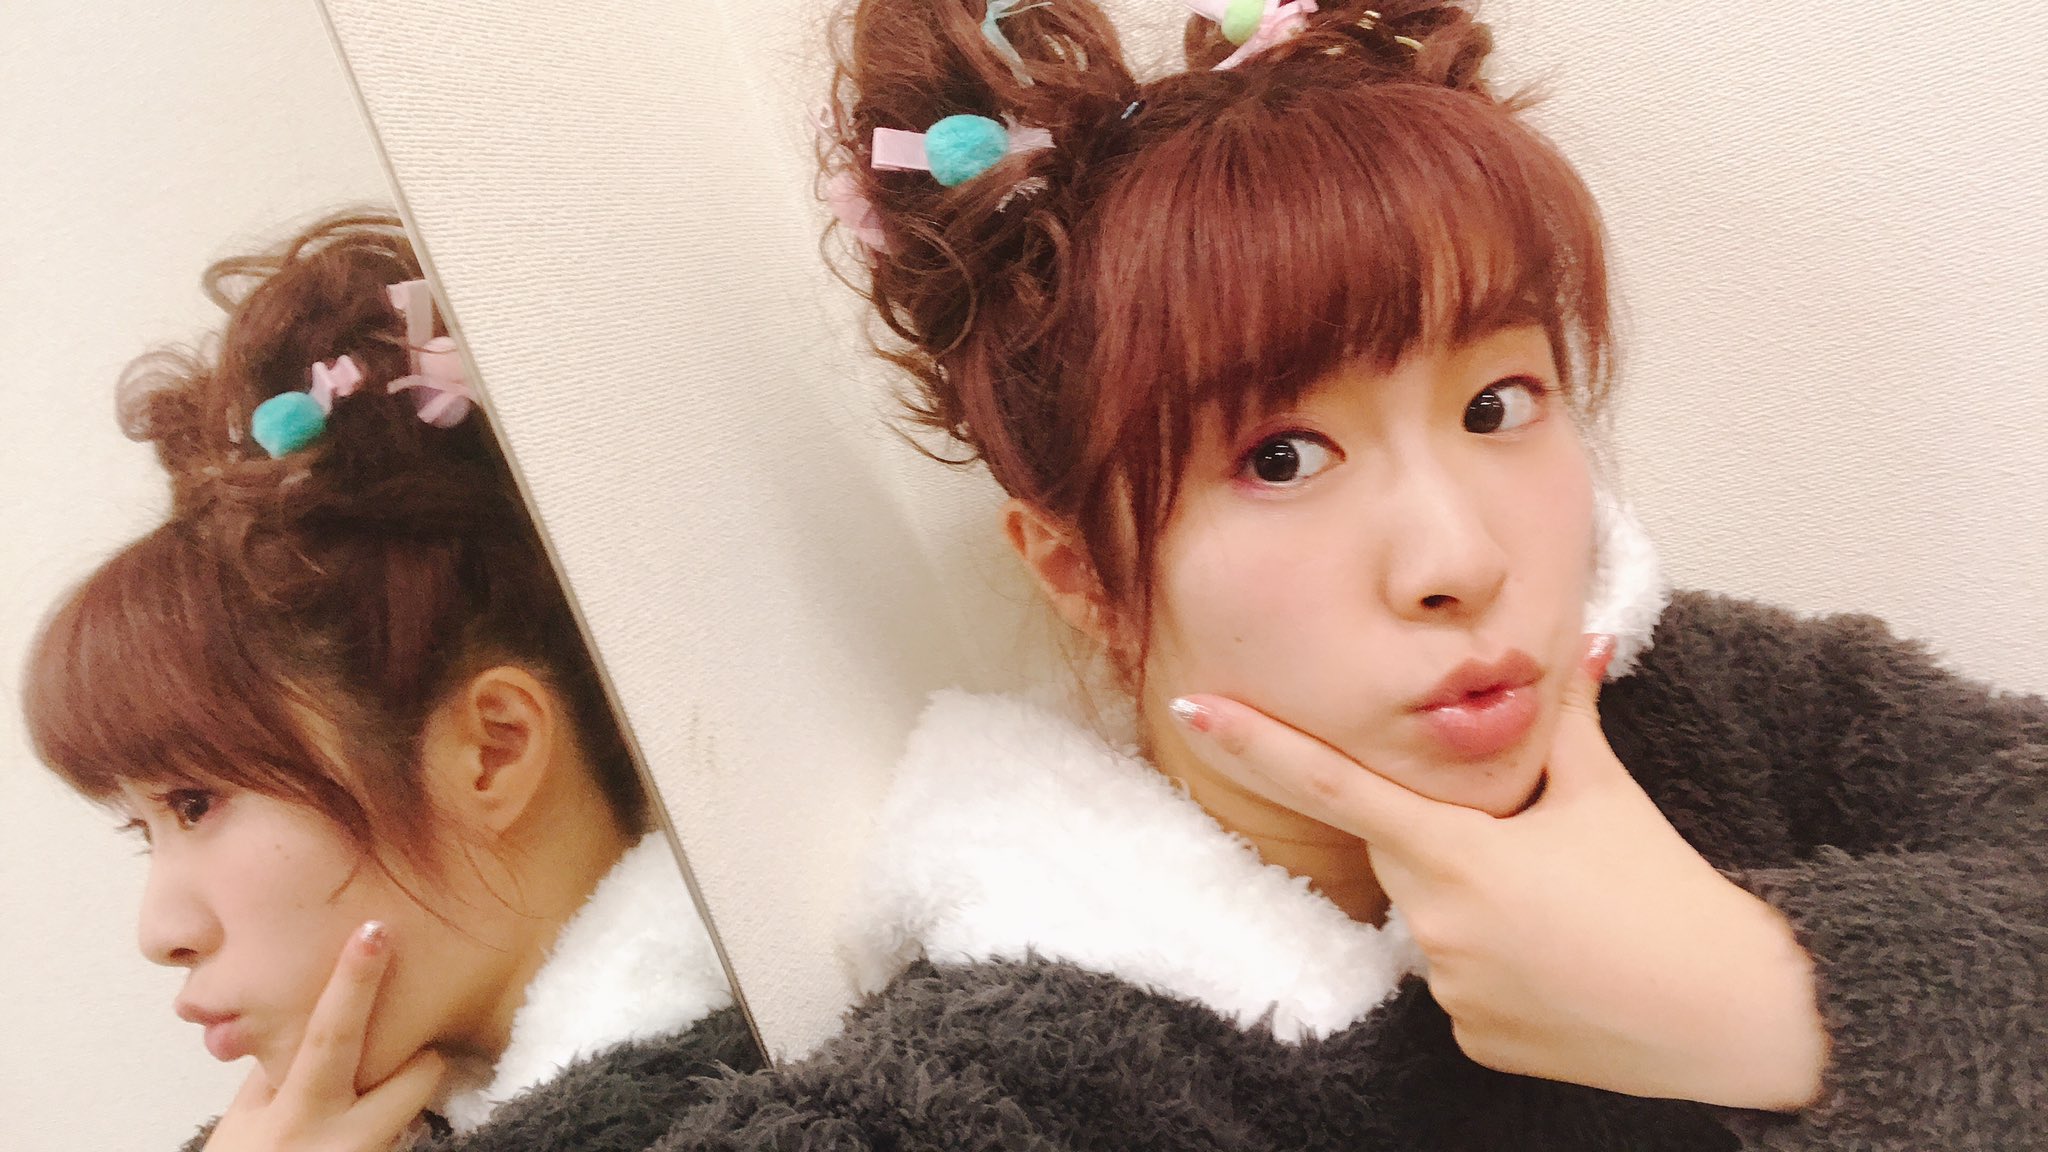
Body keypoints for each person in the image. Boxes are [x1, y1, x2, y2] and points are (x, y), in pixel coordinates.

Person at [655, 0, 2046, 1148]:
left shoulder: (1732, 706)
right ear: (1082, 574)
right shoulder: (1033, 1068)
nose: (1459, 559)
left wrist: (1768, 1004)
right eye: (1280, 458)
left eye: (1496, 405)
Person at [22, 213, 760, 1152]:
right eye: (145, 830)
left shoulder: (871, 1103)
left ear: (491, 750)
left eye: (196, 802)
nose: (160, 932)